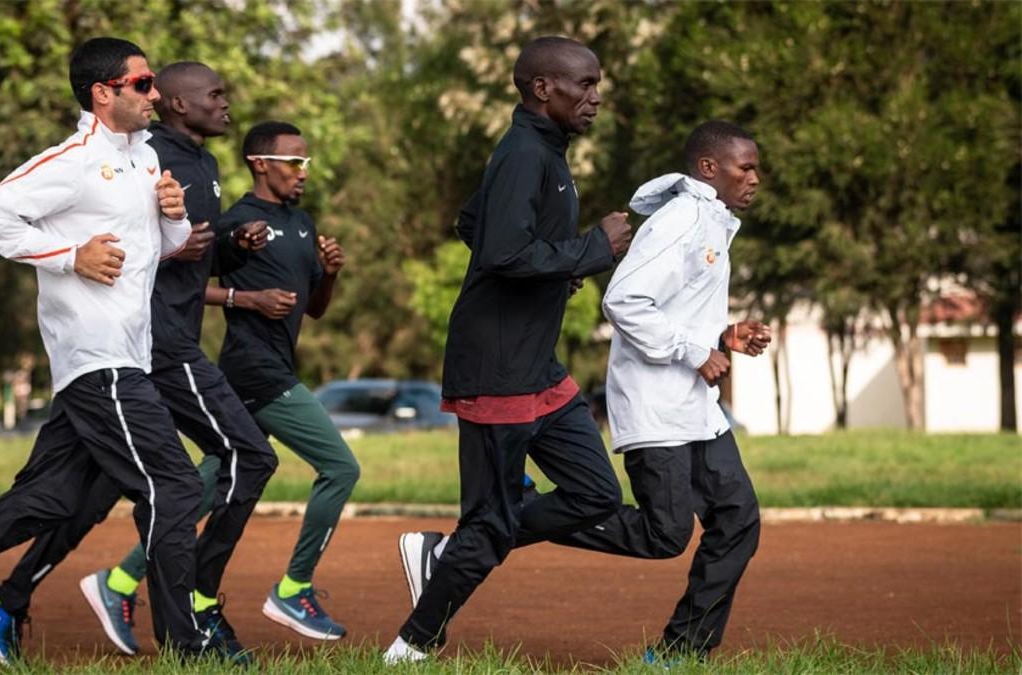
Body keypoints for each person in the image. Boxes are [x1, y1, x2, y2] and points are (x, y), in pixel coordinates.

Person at [0, 37, 227, 661]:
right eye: (143, 83)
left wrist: (172, 215)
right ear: (103, 93)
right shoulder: (71, 160)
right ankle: (187, 648)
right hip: (101, 361)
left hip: (122, 357)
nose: (153, 94)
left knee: (55, 498)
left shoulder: (145, 160)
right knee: (172, 486)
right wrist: (70, 257)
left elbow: (164, 249)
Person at [400, 119, 770, 663]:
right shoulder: (681, 221)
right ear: (709, 168)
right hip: (658, 406)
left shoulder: (713, 221)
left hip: (697, 406)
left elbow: (678, 309)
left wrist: (722, 335)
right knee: (662, 536)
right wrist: (695, 351)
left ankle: (679, 653)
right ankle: (481, 538)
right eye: (747, 167)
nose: (756, 178)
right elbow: (623, 302)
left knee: (738, 519)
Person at [0, 62, 279, 665]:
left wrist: (225, 246)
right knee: (245, 456)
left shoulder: (195, 164)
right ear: (177, 104)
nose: (226, 103)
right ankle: (196, 614)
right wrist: (71, 257)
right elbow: (101, 244)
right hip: (152, 346)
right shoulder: (138, 153)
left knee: (81, 492)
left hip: (134, 349)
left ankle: (8, 593)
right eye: (214, 94)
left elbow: (178, 249)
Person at [384, 36, 634, 664]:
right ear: (543, 88)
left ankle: (447, 553)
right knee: (493, 522)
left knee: (596, 493)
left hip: (535, 366)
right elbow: (501, 252)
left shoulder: (541, 151)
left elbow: (474, 225)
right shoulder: (525, 152)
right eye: (584, 84)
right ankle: (412, 645)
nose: (595, 97)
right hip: (496, 368)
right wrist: (592, 249)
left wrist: (556, 267)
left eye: (597, 85)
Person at [204, 121, 357, 640]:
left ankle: (122, 577)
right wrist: (245, 291)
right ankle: (294, 589)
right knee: (340, 467)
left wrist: (330, 272)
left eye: (306, 162)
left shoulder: (302, 223)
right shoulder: (237, 223)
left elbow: (314, 310)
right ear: (259, 163)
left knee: (210, 480)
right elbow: (181, 284)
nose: (303, 172)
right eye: (295, 162)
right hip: (254, 368)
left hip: (271, 367)